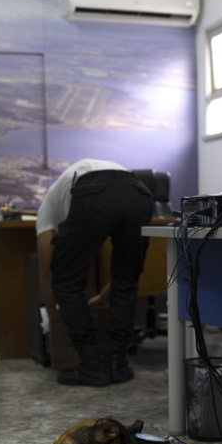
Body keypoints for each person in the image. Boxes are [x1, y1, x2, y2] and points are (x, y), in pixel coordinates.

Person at [36, 159, 154, 387]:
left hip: (93, 191)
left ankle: (92, 367)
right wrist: (103, 297)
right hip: (137, 190)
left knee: (66, 283)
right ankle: (118, 366)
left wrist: (52, 316)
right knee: (127, 279)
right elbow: (125, 275)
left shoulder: (46, 210)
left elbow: (47, 273)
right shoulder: (66, 189)